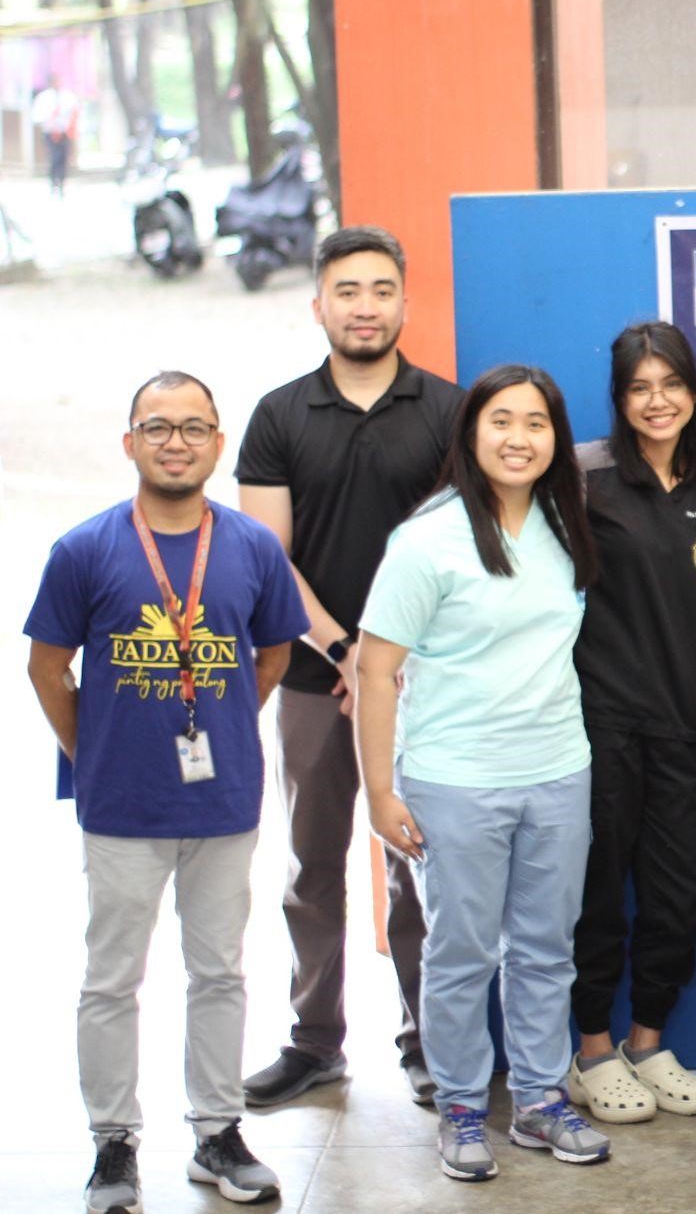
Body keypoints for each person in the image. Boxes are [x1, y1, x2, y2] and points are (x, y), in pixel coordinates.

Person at [26, 372, 308, 1212]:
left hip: (222, 804)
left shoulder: (253, 546)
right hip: (121, 808)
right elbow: (47, 666)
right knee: (112, 976)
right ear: (130, 443)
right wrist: (96, 750)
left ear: (219, 443)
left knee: (218, 970)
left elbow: (273, 654)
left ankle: (216, 1132)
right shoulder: (85, 548)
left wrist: (219, 721)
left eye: (194, 427)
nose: (176, 441)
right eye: (158, 426)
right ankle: (113, 1144)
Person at [357, 364, 610, 1182]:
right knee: (462, 950)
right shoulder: (426, 538)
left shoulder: (563, 522)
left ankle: (538, 1097)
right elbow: (373, 668)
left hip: (558, 769)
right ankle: (464, 1104)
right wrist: (380, 789)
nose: (518, 438)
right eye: (501, 420)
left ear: (554, 439)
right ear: (471, 433)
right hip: (454, 778)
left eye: (536, 423)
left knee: (545, 945)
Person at [235, 225, 462, 1110]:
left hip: (421, 681)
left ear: (404, 302)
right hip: (310, 676)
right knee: (311, 861)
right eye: (347, 290)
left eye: (379, 289)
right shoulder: (279, 415)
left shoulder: (447, 411)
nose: (364, 306)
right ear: (319, 302)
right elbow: (264, 555)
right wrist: (345, 646)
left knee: (416, 863)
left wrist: (391, 655)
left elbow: (459, 548)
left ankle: (427, 1039)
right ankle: (315, 1040)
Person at [564, 322, 696, 1123]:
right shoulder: (585, 479)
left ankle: (647, 1039)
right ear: (621, 399)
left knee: (678, 895)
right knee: (598, 893)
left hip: (686, 732)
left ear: (693, 392)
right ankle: (590, 1050)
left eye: (671, 384)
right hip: (602, 727)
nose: (657, 401)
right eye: (639, 387)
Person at [32, 71, 80, 196]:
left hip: (65, 133)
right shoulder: (43, 98)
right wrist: (49, 119)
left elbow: (75, 112)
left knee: (63, 158)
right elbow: (37, 116)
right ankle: (53, 182)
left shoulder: (68, 97)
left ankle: (62, 182)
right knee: (54, 157)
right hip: (51, 133)